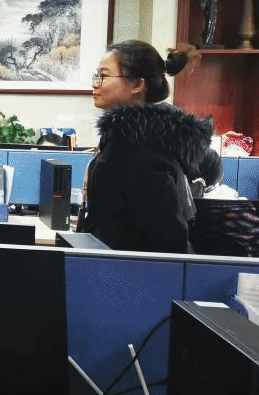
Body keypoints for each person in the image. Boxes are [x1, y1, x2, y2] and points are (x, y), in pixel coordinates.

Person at [79, 40, 212, 253]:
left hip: (129, 271)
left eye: (103, 76)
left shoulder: (140, 149)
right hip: (113, 265)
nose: (95, 83)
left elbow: (168, 240)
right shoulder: (131, 139)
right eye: (96, 76)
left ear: (137, 85)